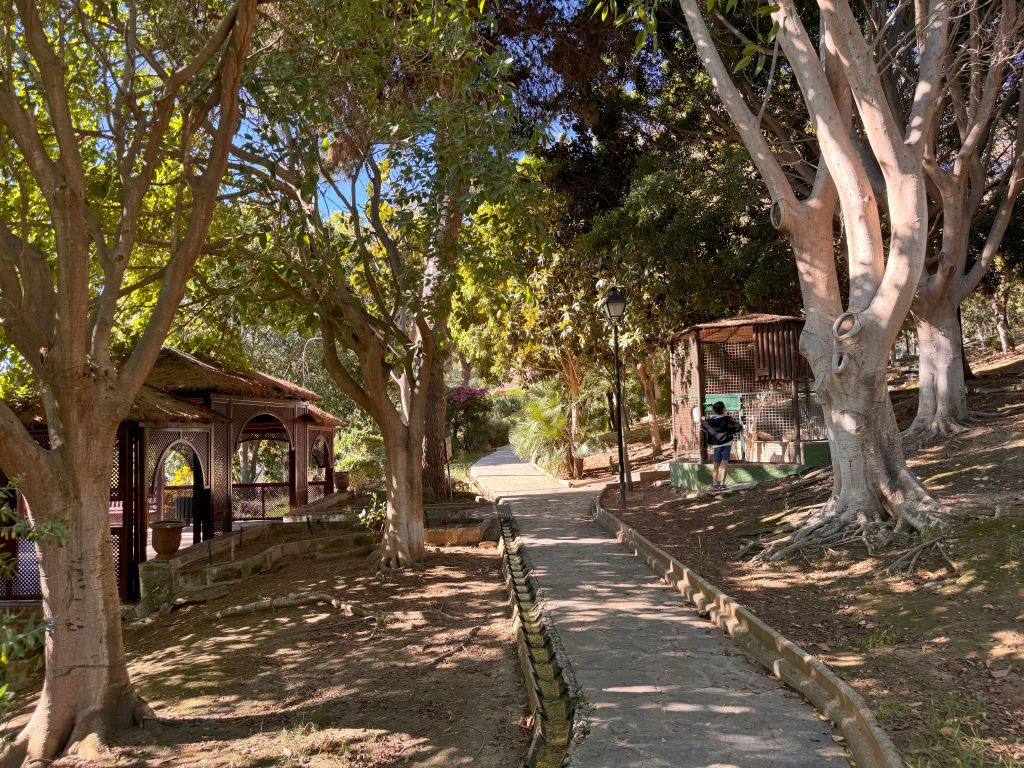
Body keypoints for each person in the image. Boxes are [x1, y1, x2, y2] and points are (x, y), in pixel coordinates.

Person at [700, 401, 742, 491]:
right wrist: (730, 432)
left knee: (716, 465)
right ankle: (722, 484)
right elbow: (739, 427)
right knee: (724, 464)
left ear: (714, 411)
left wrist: (710, 429)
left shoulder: (710, 421)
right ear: (724, 409)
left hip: (716, 445)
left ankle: (714, 484)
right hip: (727, 444)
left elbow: (703, 426)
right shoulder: (728, 419)